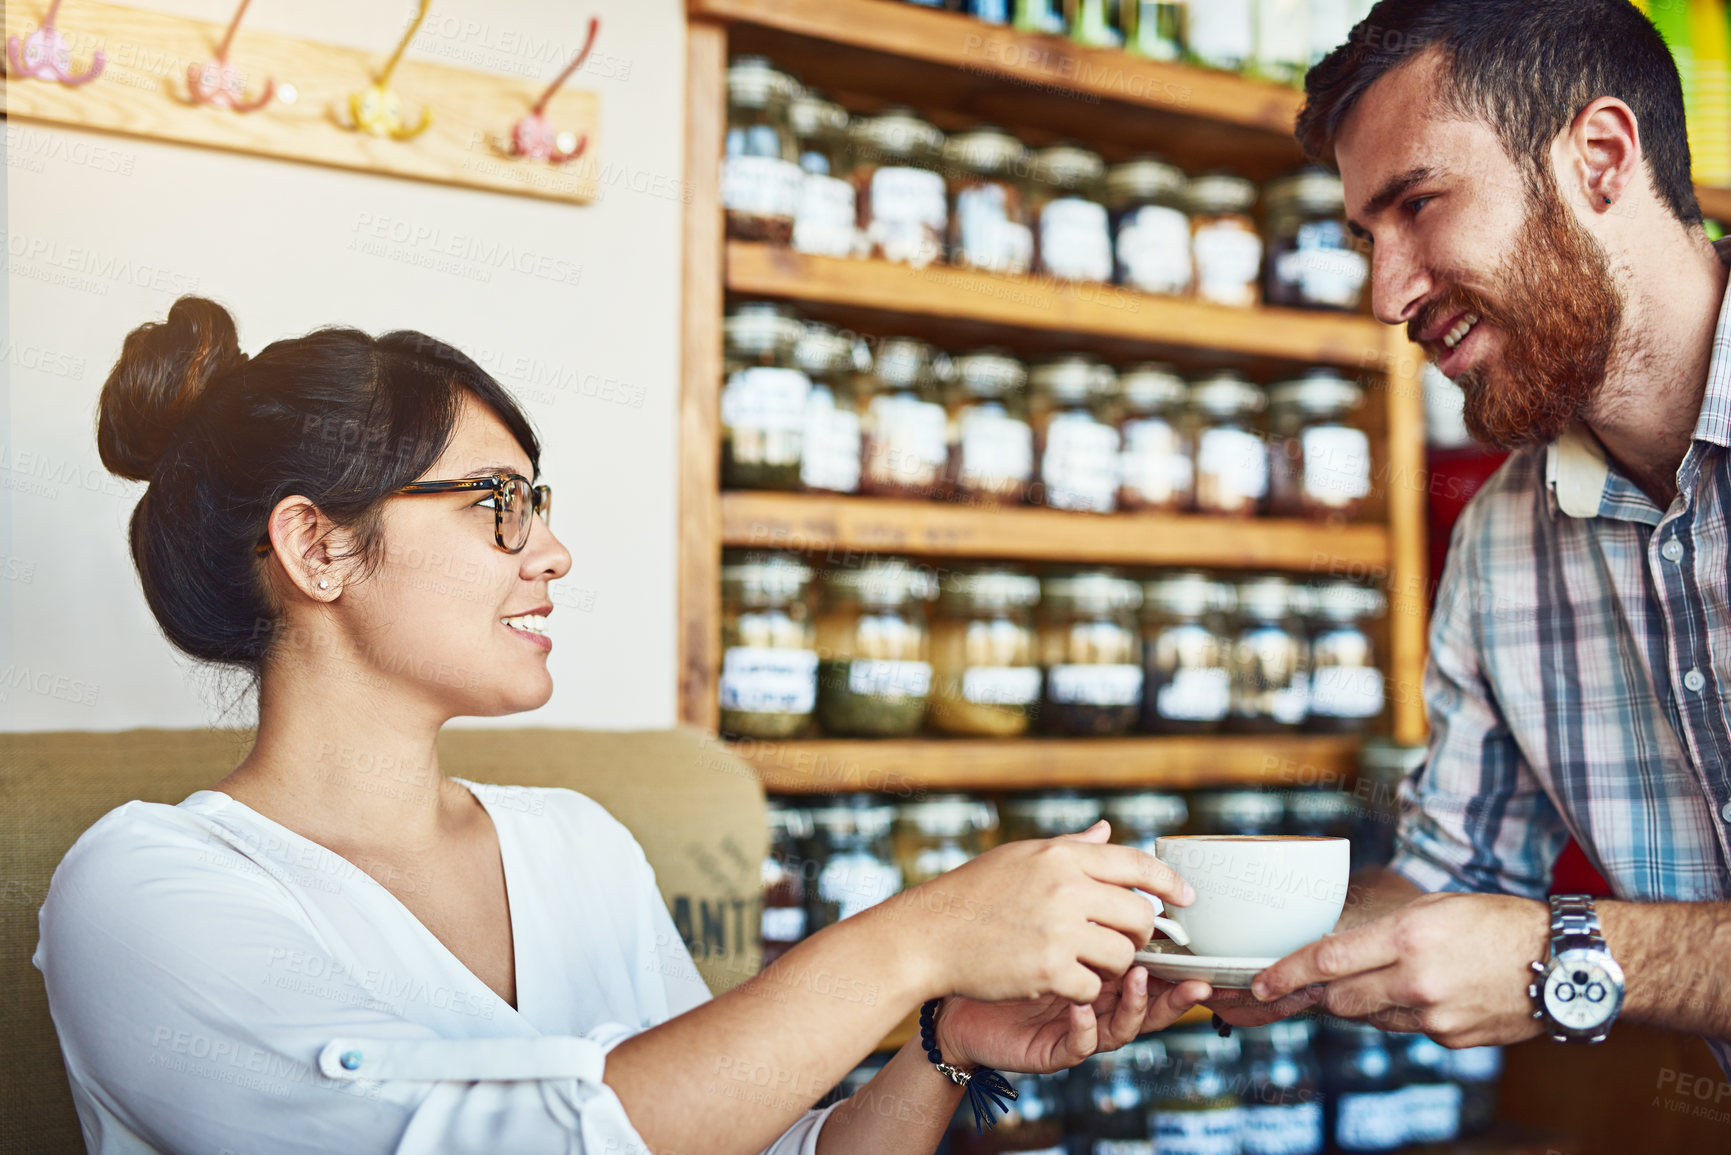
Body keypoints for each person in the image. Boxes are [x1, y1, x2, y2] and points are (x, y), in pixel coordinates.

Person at [35, 297, 1213, 1154]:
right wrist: (913, 940)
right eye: (499, 503)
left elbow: (737, 1139)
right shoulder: (141, 891)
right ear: (320, 547)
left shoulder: (575, 844)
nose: (550, 552)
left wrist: (945, 1043)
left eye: (538, 506)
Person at [1210, 0, 1731, 1071]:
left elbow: (1546, 946)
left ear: (1599, 158)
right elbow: (1447, 883)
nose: (1385, 292)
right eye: (1367, 237)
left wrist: (1585, 956)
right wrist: (1198, 943)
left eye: (1418, 204)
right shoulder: (1503, 544)